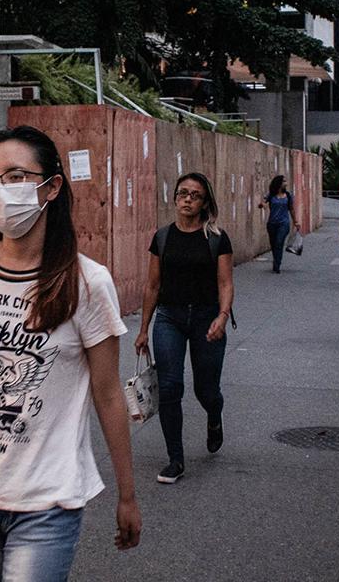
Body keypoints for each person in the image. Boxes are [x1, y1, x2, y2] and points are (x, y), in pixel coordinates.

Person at [0, 126, 141, 579]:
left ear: (51, 187)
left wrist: (127, 494)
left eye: (15, 176)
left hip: (46, 497)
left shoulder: (86, 283)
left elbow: (109, 394)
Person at [135, 172, 235, 484]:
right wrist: (142, 329)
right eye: (183, 193)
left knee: (205, 390)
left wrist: (222, 315)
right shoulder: (162, 237)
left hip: (207, 319)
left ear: (205, 203)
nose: (187, 199)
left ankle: (214, 413)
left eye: (195, 195)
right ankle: (175, 459)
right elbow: (152, 287)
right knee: (170, 387)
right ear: (175, 198)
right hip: (170, 318)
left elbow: (225, 282)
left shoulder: (217, 238)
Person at [257, 174, 297, 273]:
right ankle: (276, 259)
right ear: (279, 183)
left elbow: (291, 209)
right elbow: (262, 203)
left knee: (279, 242)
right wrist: (263, 205)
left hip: (284, 223)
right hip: (272, 223)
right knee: (274, 244)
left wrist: (296, 221)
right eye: (284, 181)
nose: (286, 183)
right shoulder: (271, 195)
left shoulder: (288, 195)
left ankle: (277, 264)